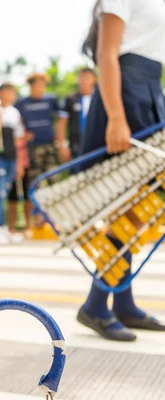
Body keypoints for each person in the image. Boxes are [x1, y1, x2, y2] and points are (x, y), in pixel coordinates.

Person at [76, 0, 165, 341]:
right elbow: (107, 54)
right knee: (128, 205)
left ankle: (122, 302)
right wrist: (115, 116)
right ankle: (97, 304)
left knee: (138, 205)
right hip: (125, 94)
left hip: (148, 90)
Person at [15, 73, 64, 227]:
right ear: (30, 86)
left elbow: (62, 118)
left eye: (42, 85)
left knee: (53, 182)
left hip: (50, 146)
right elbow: (15, 122)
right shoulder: (22, 103)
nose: (40, 88)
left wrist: (59, 138)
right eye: (37, 85)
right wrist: (24, 135)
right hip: (32, 149)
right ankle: (34, 220)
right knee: (34, 184)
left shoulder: (51, 100)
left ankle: (55, 219)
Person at [0, 83, 25, 244]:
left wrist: (19, 162)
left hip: (11, 157)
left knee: (7, 191)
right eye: (8, 92)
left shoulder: (15, 112)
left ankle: (3, 227)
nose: (12, 95)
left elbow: (18, 139)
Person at [57, 67, 97, 159]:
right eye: (81, 78)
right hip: (76, 147)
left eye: (87, 78)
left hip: (97, 145)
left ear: (94, 79)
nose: (84, 81)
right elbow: (61, 124)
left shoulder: (100, 98)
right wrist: (62, 146)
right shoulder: (70, 99)